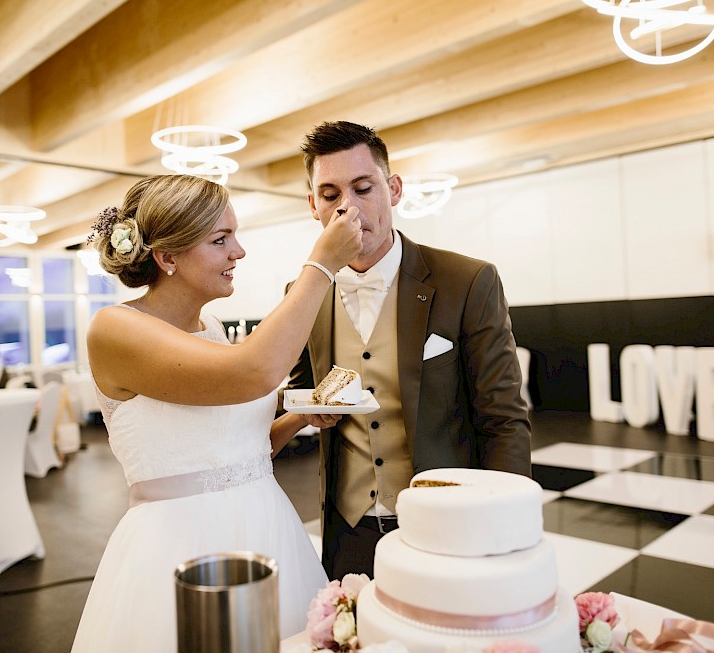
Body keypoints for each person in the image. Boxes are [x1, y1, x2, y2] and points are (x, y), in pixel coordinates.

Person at [71, 173, 362, 651]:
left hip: (267, 525)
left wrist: (297, 419)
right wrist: (321, 265)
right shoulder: (115, 328)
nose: (239, 252)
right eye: (221, 239)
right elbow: (255, 372)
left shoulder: (211, 326)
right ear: (167, 258)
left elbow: (231, 451)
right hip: (182, 546)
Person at [282, 121, 532, 580]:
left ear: (393, 189)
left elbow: (503, 418)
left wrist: (507, 522)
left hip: (449, 519)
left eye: (363, 188)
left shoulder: (467, 281)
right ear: (313, 204)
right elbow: (299, 391)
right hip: (347, 527)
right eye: (331, 194)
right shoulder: (301, 294)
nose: (348, 208)